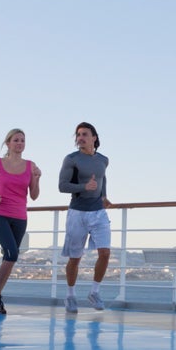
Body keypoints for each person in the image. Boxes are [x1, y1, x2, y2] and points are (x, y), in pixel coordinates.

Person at [0, 127, 41, 315]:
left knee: (10, 256)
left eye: (22, 140)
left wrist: (37, 179)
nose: (20, 143)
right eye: (16, 140)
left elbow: (34, 196)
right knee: (12, 253)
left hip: (20, 217)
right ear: (8, 143)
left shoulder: (30, 166)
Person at [58, 121, 111, 312]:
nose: (80, 138)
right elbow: (62, 186)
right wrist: (83, 187)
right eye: (78, 135)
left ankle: (94, 292)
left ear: (94, 138)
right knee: (75, 258)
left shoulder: (103, 160)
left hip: (98, 212)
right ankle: (70, 296)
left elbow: (102, 177)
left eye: (84, 134)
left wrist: (104, 195)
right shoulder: (71, 159)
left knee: (105, 253)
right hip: (77, 213)